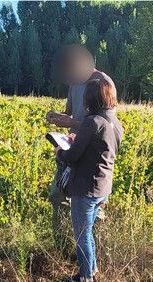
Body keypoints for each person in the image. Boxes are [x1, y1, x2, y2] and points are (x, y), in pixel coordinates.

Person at [55, 78, 123, 282]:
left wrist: (61, 151)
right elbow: (102, 149)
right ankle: (91, 272)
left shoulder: (92, 121)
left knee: (82, 234)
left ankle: (85, 281)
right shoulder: (114, 121)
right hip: (103, 186)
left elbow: (73, 156)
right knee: (89, 232)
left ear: (89, 99)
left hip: (85, 186)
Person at [46, 45, 116, 239]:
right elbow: (70, 112)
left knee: (94, 204)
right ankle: (62, 244)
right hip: (72, 147)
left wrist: (73, 122)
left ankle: (94, 248)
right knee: (57, 196)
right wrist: (58, 117)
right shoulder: (74, 83)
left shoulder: (103, 82)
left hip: (93, 153)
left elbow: (105, 123)